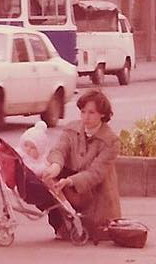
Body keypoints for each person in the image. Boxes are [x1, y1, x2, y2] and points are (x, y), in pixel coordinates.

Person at [40, 88, 121, 240]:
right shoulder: (71, 129)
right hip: (72, 186)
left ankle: (73, 224)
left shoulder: (111, 141)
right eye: (83, 111)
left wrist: (70, 181)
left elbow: (95, 173)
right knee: (43, 182)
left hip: (96, 198)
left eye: (91, 113)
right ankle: (61, 224)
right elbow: (58, 150)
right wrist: (56, 166)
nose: (86, 117)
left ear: (102, 114)